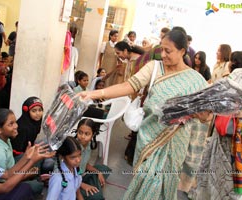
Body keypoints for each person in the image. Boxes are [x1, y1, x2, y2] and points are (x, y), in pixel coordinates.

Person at [78, 30, 211, 199]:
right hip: (150, 139)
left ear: (182, 51)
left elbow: (206, 116)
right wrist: (93, 94)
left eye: (168, 51)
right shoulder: (155, 67)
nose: (163, 54)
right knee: (146, 180)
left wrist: (200, 115)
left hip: (176, 142)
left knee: (163, 186)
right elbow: (129, 86)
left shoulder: (195, 80)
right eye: (161, 49)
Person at [190, 51, 242, 199]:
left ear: (235, 62)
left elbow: (220, 94)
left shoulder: (238, 74)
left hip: (229, 132)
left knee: (219, 167)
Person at [0, 133, 55, 200]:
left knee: (25, 188)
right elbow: (4, 187)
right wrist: (31, 161)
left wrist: (26, 157)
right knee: (30, 188)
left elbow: (8, 174)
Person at [0, 108, 45, 195]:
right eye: (11, 124)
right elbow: (5, 181)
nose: (16, 126)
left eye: (15, 122)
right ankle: (36, 179)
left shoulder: (4, 137)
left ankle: (36, 177)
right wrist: (27, 174)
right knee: (38, 186)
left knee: (38, 156)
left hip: (11, 168)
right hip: (5, 183)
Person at [76, 118, 111, 200]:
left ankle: (94, 188)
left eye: (87, 134)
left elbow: (85, 164)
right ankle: (95, 192)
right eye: (80, 132)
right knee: (97, 196)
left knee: (104, 169)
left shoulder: (88, 145)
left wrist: (98, 172)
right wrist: (82, 185)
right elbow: (65, 174)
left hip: (81, 175)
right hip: (71, 181)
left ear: (93, 134)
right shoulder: (73, 148)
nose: (82, 137)